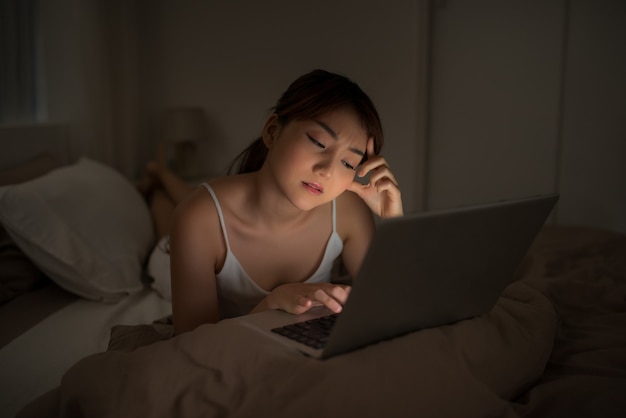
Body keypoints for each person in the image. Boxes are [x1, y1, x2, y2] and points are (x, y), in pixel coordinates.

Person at [143, 69, 403, 335]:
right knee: (170, 221)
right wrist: (271, 304)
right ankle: (160, 177)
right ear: (271, 132)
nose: (327, 170)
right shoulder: (197, 218)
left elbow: (392, 308)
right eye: (318, 142)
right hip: (182, 249)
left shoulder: (348, 211)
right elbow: (190, 344)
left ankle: (161, 179)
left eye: (348, 162)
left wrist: (394, 222)